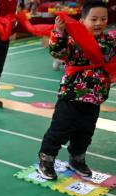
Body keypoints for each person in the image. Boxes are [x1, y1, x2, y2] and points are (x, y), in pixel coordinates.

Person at [37, 0, 112, 180]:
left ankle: (77, 159)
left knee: (85, 133)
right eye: (93, 19)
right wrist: (60, 32)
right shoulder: (73, 39)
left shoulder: (109, 41)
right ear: (82, 20)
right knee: (59, 131)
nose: (99, 23)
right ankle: (46, 160)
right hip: (71, 96)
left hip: (94, 98)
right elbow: (58, 52)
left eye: (103, 19)